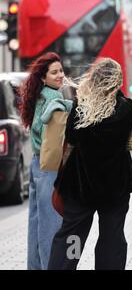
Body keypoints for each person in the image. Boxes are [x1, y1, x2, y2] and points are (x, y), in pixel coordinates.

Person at [47, 58, 132, 270]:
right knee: (111, 238)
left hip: (81, 184)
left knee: (73, 237)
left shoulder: (81, 106)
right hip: (115, 186)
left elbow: (70, 136)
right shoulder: (126, 108)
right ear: (117, 82)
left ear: (94, 79)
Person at [19, 52, 72, 270]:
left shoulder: (39, 94)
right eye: (54, 72)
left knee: (36, 223)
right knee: (51, 224)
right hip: (49, 166)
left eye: (61, 71)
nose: (60, 75)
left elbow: (37, 127)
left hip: (36, 164)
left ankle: (35, 266)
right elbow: (46, 122)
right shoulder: (52, 98)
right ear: (43, 77)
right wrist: (69, 105)